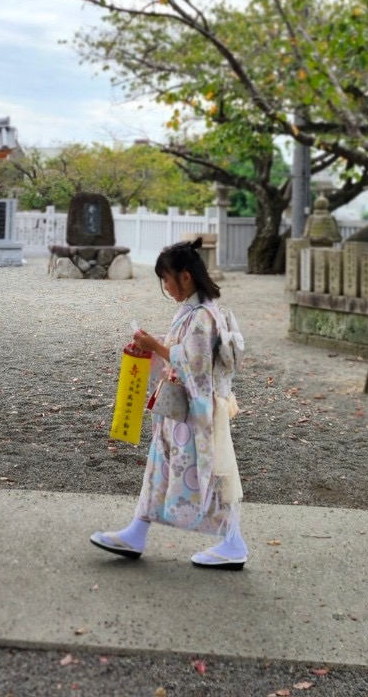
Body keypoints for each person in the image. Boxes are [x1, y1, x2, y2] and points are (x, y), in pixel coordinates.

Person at [90, 237, 248, 569]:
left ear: (185, 276)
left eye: (167, 279)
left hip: (195, 414)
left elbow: (194, 363)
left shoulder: (202, 316)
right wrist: (153, 346)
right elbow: (183, 353)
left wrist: (157, 347)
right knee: (164, 468)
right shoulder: (198, 310)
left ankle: (233, 542)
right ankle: (137, 531)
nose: (166, 286)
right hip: (184, 410)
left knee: (208, 476)